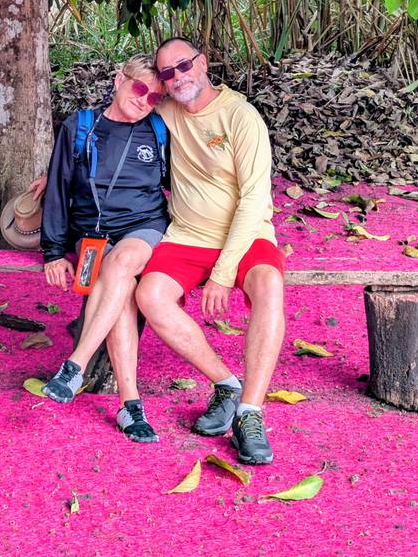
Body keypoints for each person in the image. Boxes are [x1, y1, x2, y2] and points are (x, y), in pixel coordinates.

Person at [136, 37, 285, 465]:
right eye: (167, 73)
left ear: (202, 63)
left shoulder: (242, 117)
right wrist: (50, 175)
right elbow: (114, 119)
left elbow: (254, 200)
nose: (177, 77)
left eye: (183, 66)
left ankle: (250, 413)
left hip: (246, 233)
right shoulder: (166, 110)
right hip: (187, 235)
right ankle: (225, 383)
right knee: (149, 296)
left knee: (269, 285)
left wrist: (222, 273)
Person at [36, 54, 169, 443]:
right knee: (120, 284)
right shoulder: (80, 126)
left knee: (124, 262)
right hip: (91, 232)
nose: (144, 101)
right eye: (140, 89)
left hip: (143, 226)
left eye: (155, 97)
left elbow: (185, 185)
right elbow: (59, 189)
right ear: (119, 79)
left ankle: (75, 365)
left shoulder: (158, 131)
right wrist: (53, 251)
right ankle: (131, 406)